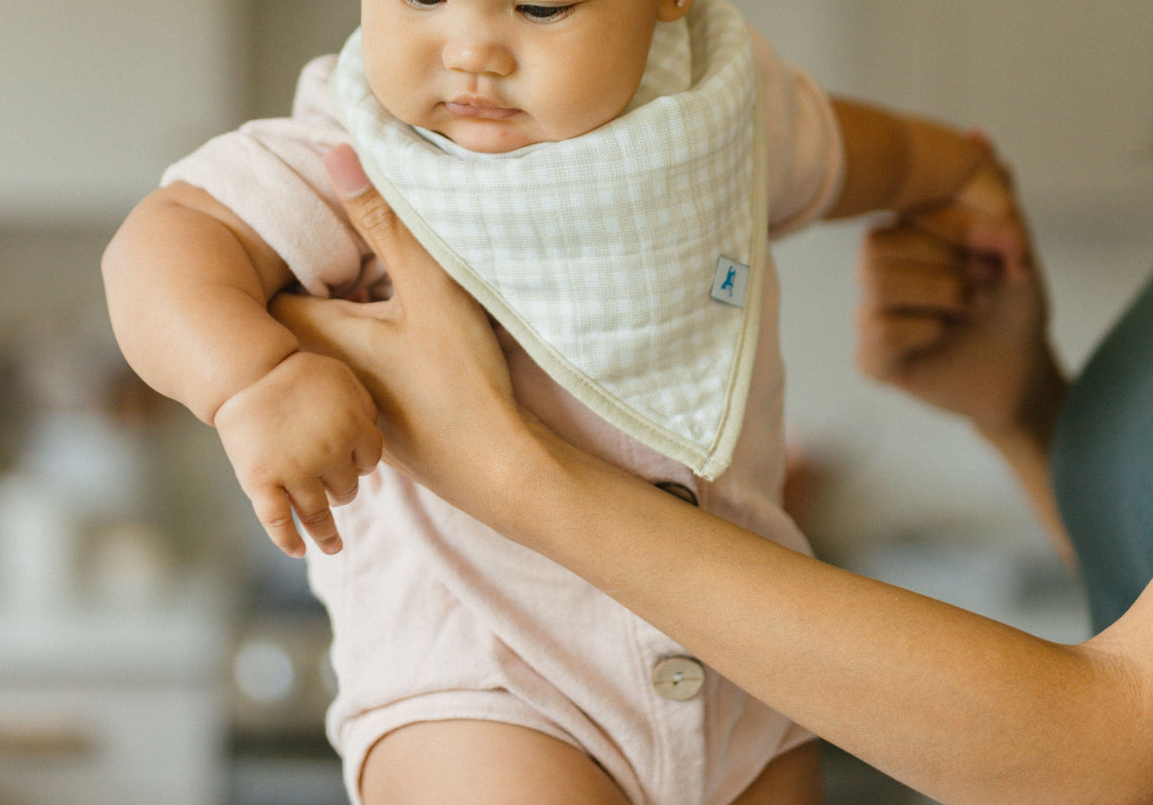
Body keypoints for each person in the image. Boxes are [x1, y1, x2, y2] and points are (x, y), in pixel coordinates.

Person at [101, 0, 1021, 805]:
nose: (469, 49)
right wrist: (251, 382)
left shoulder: (718, 114)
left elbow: (857, 149)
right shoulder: (360, 153)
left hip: (747, 662)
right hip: (486, 678)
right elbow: (163, 243)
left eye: (540, 1)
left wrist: (957, 170)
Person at [275, 144, 1153, 805]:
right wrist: (1025, 410)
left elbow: (1120, 749)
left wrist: (511, 471)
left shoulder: (716, 97)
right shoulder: (350, 124)